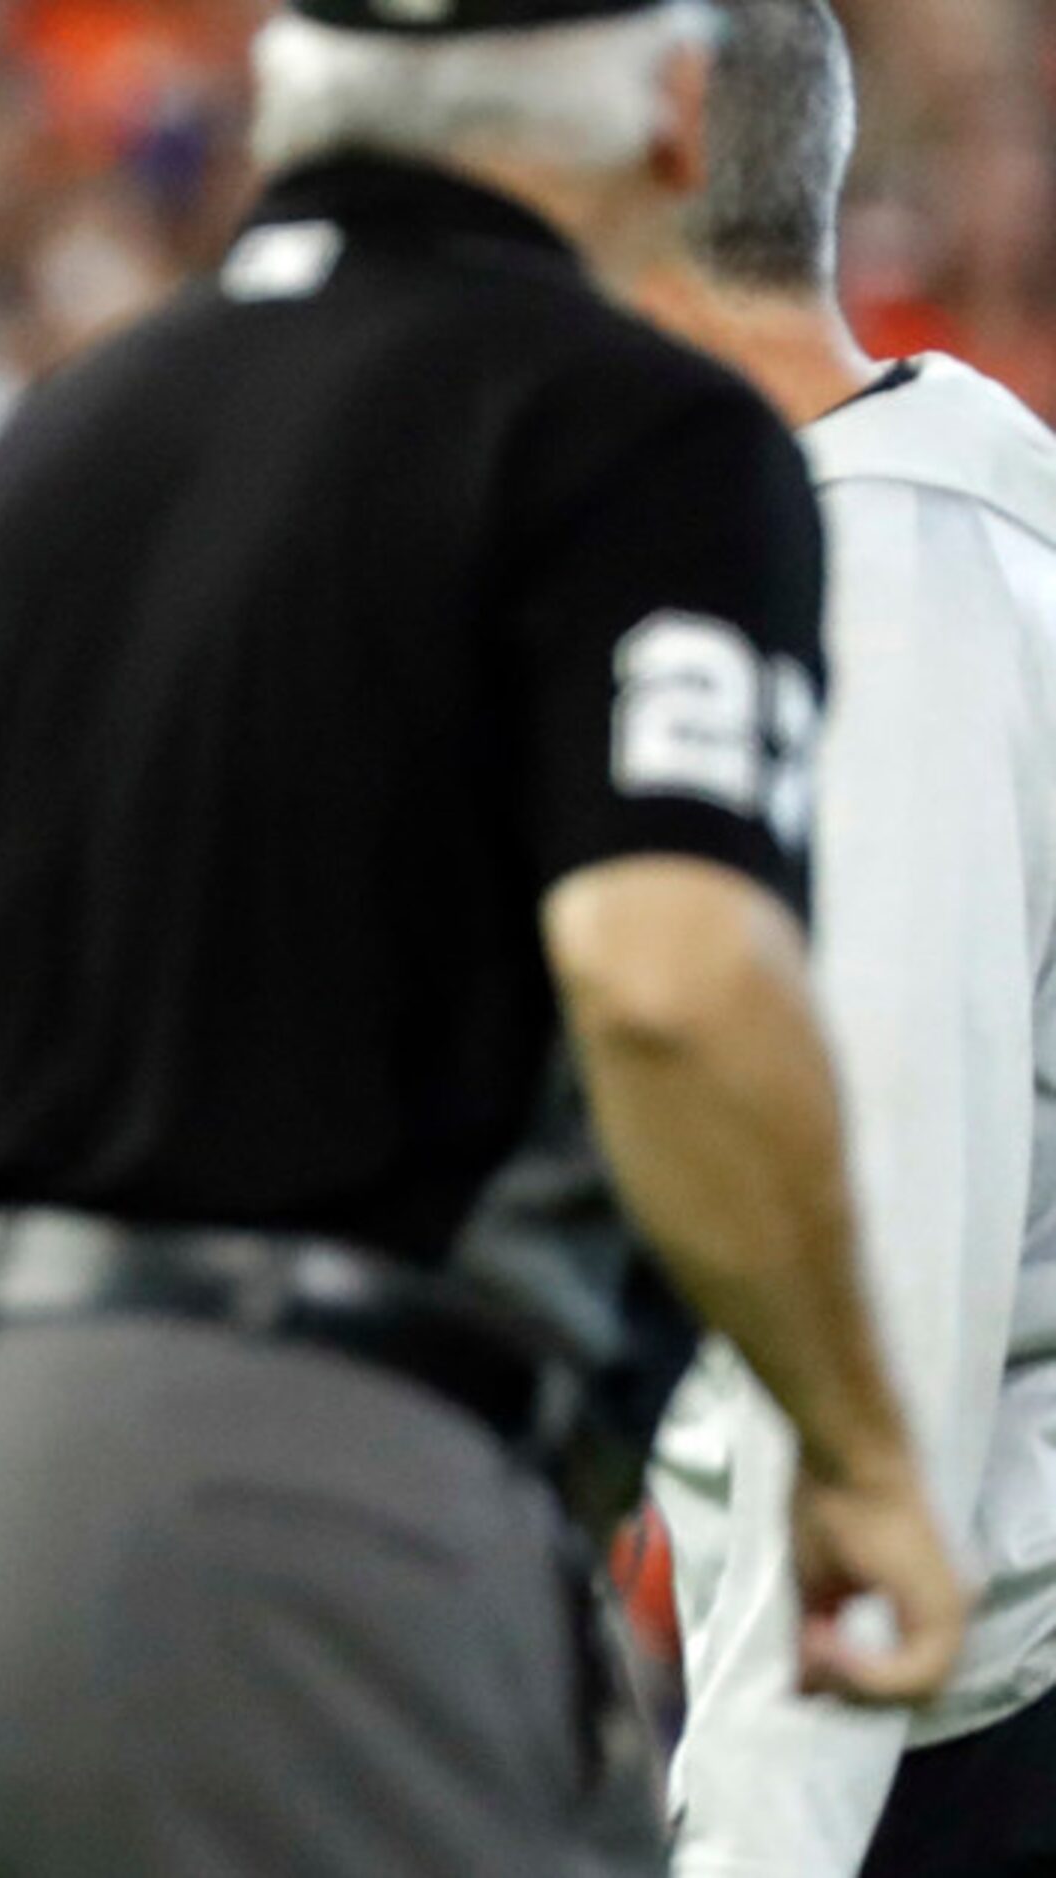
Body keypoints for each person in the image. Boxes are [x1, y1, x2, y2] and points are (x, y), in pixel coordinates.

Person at [0, 1, 966, 1871]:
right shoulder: (635, 425)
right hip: (262, 1495)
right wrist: (867, 1460)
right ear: (667, 123)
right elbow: (674, 978)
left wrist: (11, 1328)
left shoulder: (40, 443)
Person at [630, 5, 1056, 1872]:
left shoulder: (879, 610)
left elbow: (875, 1298)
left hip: (957, 1726)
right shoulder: (826, 562)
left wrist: (758, 1843)